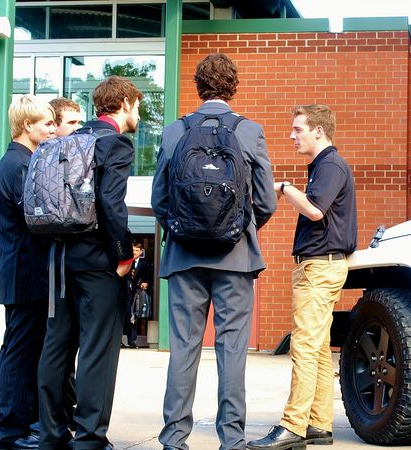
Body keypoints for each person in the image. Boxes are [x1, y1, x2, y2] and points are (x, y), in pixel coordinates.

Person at [152, 52, 276, 450]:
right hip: (235, 258)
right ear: (232, 87)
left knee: (184, 348)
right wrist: (237, 229)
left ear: (198, 86)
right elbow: (266, 203)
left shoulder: (174, 133)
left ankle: (174, 439)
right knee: (233, 349)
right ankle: (232, 440)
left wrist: (186, 229)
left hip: (184, 257)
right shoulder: (250, 131)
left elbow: (159, 200)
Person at [37, 76, 141, 450]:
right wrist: (124, 254)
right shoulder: (116, 144)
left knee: (57, 345)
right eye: (138, 107)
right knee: (97, 348)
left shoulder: (67, 141)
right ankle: (90, 438)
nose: (138, 114)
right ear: (125, 103)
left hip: (59, 258)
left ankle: (51, 435)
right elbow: (112, 205)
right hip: (98, 261)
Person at [247, 104, 357, 450]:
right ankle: (318, 425)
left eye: (298, 129)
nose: (292, 136)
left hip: (319, 267)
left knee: (305, 347)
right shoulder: (325, 167)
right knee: (319, 348)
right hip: (321, 266)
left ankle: (292, 425)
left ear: (319, 132)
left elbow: (314, 209)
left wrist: (282, 186)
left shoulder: (330, 165)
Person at [0, 95, 56, 450]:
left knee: (22, 350)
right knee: (19, 352)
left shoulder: (20, 161)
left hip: (24, 272)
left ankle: (19, 423)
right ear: (27, 126)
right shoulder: (20, 165)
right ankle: (9, 430)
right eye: (46, 123)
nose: (52, 128)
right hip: (25, 273)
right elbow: (38, 219)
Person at [48, 96, 83, 433]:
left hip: (65, 263)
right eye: (71, 123)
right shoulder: (50, 159)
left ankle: (63, 416)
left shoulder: (71, 156)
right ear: (54, 125)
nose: (78, 129)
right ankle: (53, 422)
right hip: (56, 266)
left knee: (67, 345)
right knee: (58, 347)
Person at [123, 242, 150, 348]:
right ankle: (120, 341)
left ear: (141, 252)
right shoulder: (125, 262)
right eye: (133, 250)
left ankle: (132, 341)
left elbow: (147, 278)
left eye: (137, 250)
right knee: (123, 316)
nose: (134, 252)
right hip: (124, 293)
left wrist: (145, 283)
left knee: (132, 315)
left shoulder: (144, 264)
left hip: (135, 294)